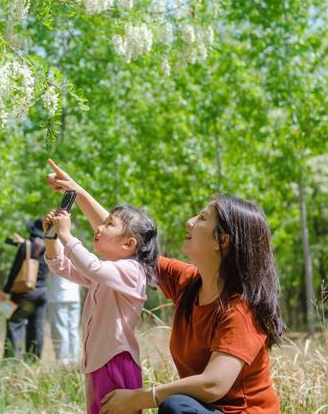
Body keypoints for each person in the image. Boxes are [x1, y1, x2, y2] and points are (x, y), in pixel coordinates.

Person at [44, 159, 284, 414]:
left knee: (175, 407)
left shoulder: (240, 310)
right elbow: (127, 242)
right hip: (203, 409)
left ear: (222, 240)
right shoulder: (189, 282)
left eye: (202, 218)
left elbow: (214, 384)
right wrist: (76, 192)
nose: (190, 222)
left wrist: (141, 397)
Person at [43, 201, 159, 414]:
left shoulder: (132, 271)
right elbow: (62, 267)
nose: (99, 227)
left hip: (115, 360)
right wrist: (52, 238)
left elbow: (91, 267)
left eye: (109, 224)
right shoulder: (108, 272)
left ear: (128, 244)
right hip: (98, 361)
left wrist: (67, 236)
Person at [0, 218, 48, 360]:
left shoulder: (26, 246)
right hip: (42, 293)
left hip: (24, 294)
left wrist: (5, 290)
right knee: (36, 327)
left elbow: (15, 270)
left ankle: (11, 360)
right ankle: (33, 360)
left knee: (14, 323)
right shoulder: (50, 247)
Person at [47, 262, 81, 366]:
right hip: (74, 296)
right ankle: (74, 359)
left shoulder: (55, 251)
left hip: (59, 296)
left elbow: (49, 271)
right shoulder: (76, 250)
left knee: (61, 329)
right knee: (73, 329)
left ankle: (63, 361)